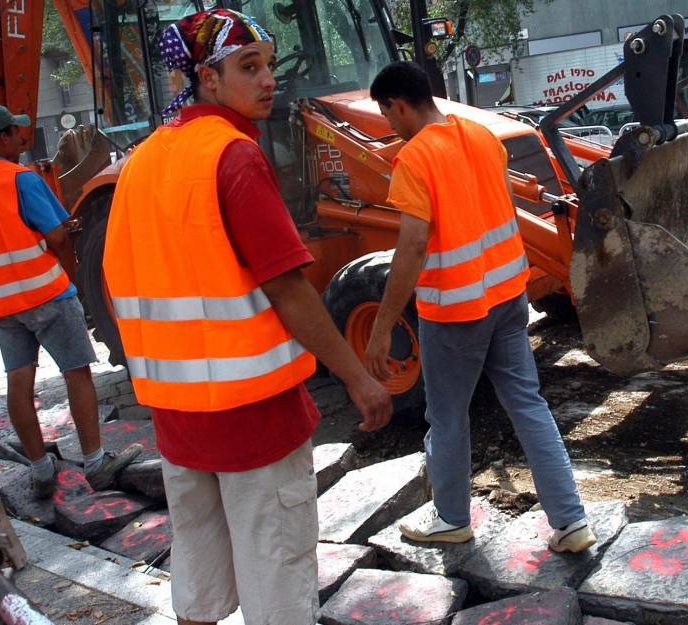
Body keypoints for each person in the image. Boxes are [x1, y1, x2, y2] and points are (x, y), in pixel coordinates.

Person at [104, 9, 393, 625]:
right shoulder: (234, 157)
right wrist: (358, 376)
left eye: (267, 64)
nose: (268, 80)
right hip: (255, 419)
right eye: (249, 67)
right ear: (207, 77)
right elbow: (288, 289)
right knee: (278, 585)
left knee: (199, 582)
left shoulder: (144, 161)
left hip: (178, 420)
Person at [363, 61, 595, 554]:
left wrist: (383, 324)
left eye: (387, 115)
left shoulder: (415, 159)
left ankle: (451, 518)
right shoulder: (478, 135)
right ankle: (571, 521)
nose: (388, 126)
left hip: (455, 310)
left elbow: (412, 247)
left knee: (448, 417)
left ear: (397, 104)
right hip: (508, 295)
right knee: (528, 404)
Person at [0, 105, 142, 497]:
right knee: (77, 372)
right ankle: (97, 464)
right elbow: (60, 237)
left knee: (19, 383)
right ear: (1, 138)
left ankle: (41, 470)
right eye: (16, 132)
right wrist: (73, 278)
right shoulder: (19, 179)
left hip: (2, 307)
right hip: (46, 293)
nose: (22, 138)